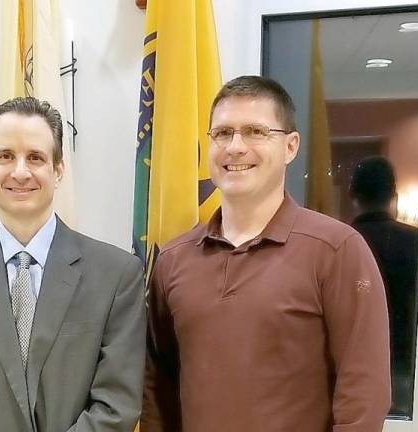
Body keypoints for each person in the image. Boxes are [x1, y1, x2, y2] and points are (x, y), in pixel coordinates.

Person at [141, 75, 391, 431]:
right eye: (222, 133)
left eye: (255, 132)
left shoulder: (337, 250)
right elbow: (157, 388)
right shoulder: (174, 259)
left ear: (290, 147)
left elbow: (363, 396)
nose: (235, 147)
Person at [0, 97, 146, 432]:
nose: (20, 172)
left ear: (58, 169)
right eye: (5, 156)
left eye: (35, 157)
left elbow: (117, 404)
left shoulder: (117, 276)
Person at [350, 155, 418, 414]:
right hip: (407, 366)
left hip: (352, 368)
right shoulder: (415, 243)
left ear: (352, 195)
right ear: (394, 195)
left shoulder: (339, 245)